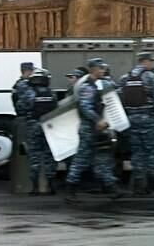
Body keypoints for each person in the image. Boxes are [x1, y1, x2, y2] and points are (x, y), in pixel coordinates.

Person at [64, 58, 121, 202]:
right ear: (93, 69)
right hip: (89, 129)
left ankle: (112, 188)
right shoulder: (88, 87)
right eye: (101, 68)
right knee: (81, 160)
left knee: (102, 160)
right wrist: (98, 120)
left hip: (97, 130)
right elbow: (85, 107)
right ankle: (70, 191)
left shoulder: (99, 84)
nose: (103, 71)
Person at [119, 51, 154, 195]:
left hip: (131, 119)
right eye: (151, 61)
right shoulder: (150, 77)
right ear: (145, 61)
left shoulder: (125, 78)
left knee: (137, 153)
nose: (152, 64)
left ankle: (138, 184)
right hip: (147, 119)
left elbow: (120, 97)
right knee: (150, 152)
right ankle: (149, 184)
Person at [17, 68, 59, 195]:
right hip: (49, 127)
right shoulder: (52, 93)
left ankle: (35, 187)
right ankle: (50, 185)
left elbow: (20, 107)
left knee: (34, 156)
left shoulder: (30, 93)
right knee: (49, 156)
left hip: (33, 126)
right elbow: (55, 108)